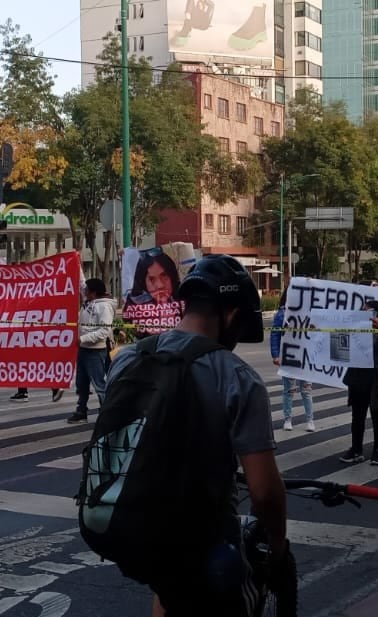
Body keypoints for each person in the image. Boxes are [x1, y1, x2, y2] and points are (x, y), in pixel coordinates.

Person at [100, 255, 285, 616]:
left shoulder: (127, 358)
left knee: (168, 589)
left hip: (129, 524)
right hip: (204, 539)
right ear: (231, 316)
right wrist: (277, 546)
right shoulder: (236, 376)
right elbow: (263, 491)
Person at [340, 300, 378, 466]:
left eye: (368, 312)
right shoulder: (356, 328)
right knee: (357, 416)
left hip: (376, 379)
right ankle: (356, 449)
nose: (364, 314)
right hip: (357, 377)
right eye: (362, 311)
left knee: (377, 415)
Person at [69, 278, 118, 423]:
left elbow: (104, 330)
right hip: (83, 350)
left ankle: (106, 413)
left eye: (86, 289)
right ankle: (81, 410)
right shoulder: (87, 304)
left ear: (93, 292)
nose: (84, 291)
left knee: (99, 384)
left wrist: (84, 338)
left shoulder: (104, 307)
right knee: (81, 383)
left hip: (95, 351)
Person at [270, 288, 317, 433]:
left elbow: (317, 335)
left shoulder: (310, 313)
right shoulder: (282, 314)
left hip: (305, 357)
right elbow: (275, 335)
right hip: (289, 356)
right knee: (289, 390)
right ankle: (287, 419)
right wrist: (275, 354)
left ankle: (310, 420)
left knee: (306, 390)